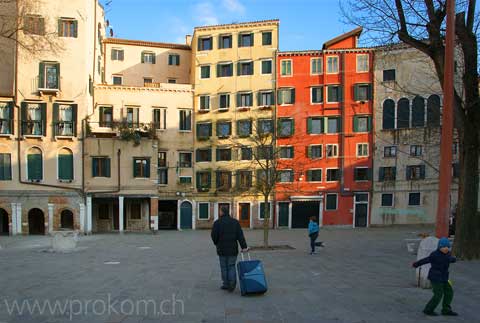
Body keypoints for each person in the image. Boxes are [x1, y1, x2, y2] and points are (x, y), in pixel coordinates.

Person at [412, 237, 458, 316]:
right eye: (443, 247)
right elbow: (426, 260)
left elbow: (449, 259)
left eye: (447, 247)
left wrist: (453, 259)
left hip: (444, 277)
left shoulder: (448, 254)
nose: (446, 248)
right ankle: (428, 310)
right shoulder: (435, 255)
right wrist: (416, 264)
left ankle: (446, 309)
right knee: (438, 294)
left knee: (449, 292)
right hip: (435, 277)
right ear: (439, 247)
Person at [211, 207, 248, 292]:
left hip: (222, 249)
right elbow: (240, 236)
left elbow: (213, 235)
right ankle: (232, 284)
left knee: (224, 267)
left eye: (219, 211)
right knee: (231, 266)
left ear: (221, 212)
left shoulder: (217, 223)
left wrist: (216, 243)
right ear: (229, 212)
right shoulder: (235, 222)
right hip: (232, 249)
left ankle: (226, 284)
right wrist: (244, 247)